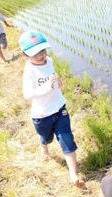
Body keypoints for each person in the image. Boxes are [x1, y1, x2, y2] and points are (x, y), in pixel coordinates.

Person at [20, 30, 85, 188]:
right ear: (25, 55)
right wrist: (47, 88)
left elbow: (52, 74)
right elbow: (27, 94)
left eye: (42, 51)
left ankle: (73, 174)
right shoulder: (29, 71)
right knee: (46, 137)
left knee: (67, 139)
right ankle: (44, 147)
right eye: (36, 54)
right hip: (42, 115)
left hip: (59, 108)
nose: (41, 55)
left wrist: (57, 80)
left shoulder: (49, 61)